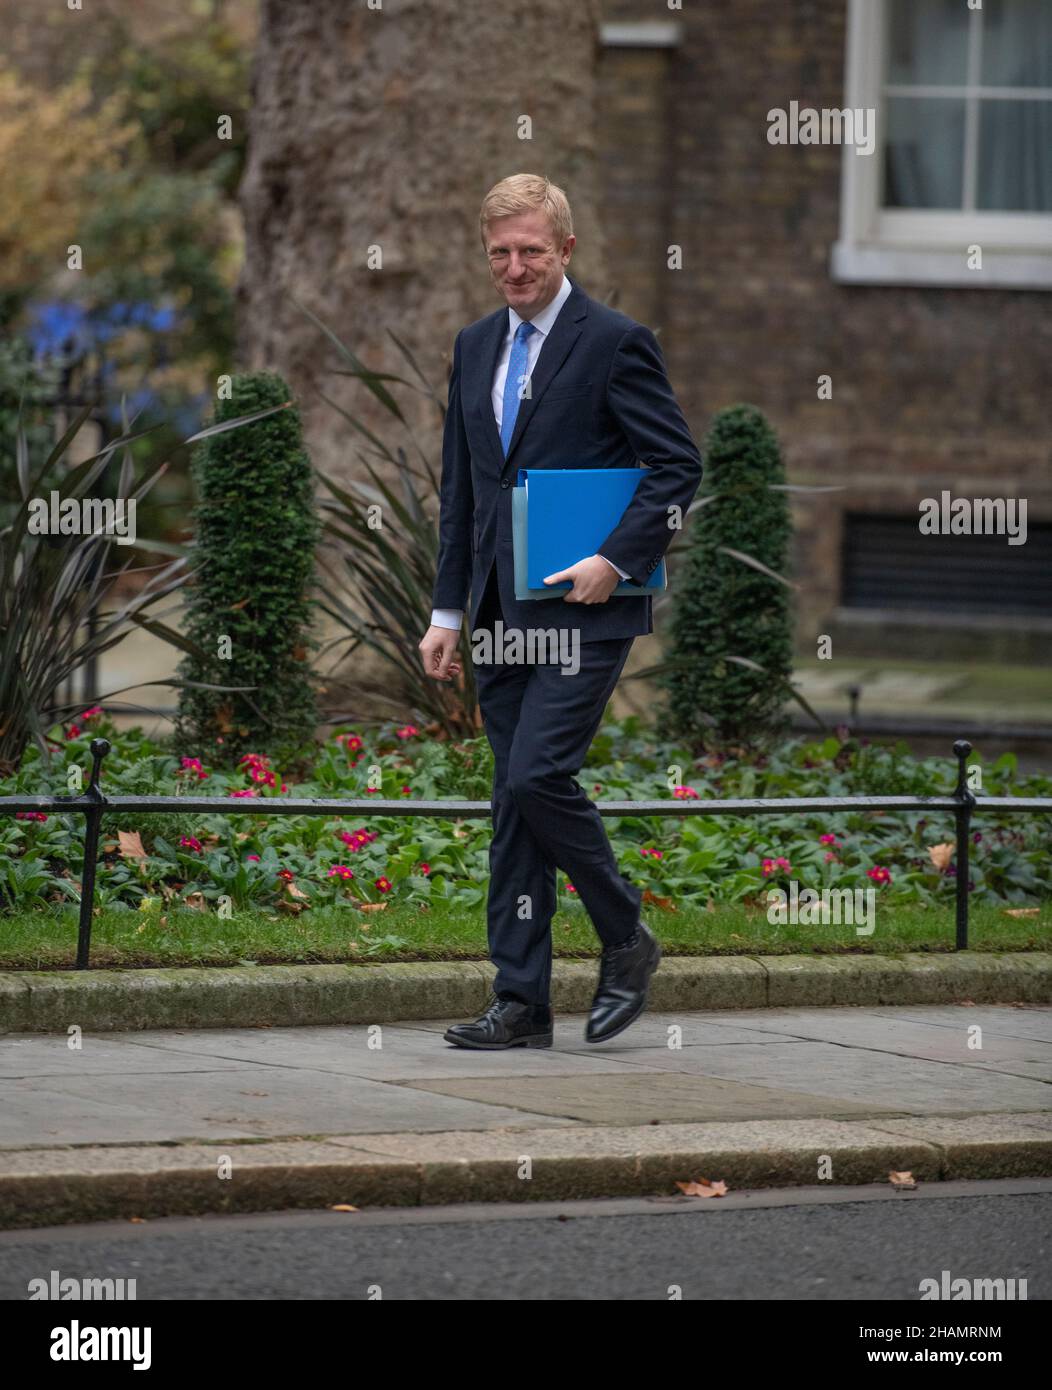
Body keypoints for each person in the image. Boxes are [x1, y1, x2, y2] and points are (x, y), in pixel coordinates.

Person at [418, 173, 702, 1049]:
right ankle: (521, 1001)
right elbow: (464, 490)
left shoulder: (616, 342)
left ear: (565, 249)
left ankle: (625, 937)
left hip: (586, 610)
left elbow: (675, 468)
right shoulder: (473, 346)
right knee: (514, 799)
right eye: (500, 252)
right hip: (500, 610)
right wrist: (447, 614)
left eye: (531, 250)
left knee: (539, 775)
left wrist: (616, 560)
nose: (516, 267)